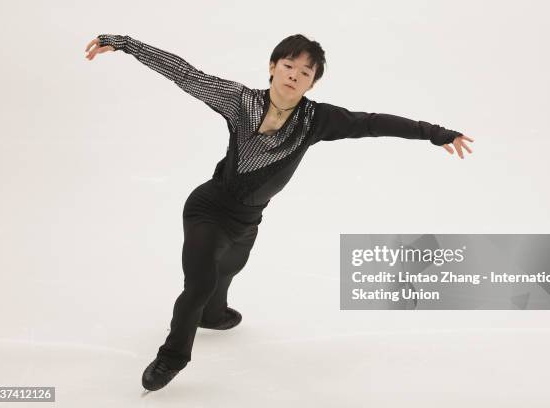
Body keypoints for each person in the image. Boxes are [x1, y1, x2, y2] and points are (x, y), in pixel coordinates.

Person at [84, 33, 474, 391]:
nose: (294, 75)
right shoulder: (240, 101)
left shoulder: (316, 119)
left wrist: (435, 132)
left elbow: (371, 124)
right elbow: (186, 74)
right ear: (273, 67)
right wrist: (123, 43)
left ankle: (214, 316)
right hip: (208, 208)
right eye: (288, 66)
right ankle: (172, 358)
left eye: (305, 71)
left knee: (229, 269)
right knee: (199, 283)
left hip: (248, 221)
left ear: (312, 82)